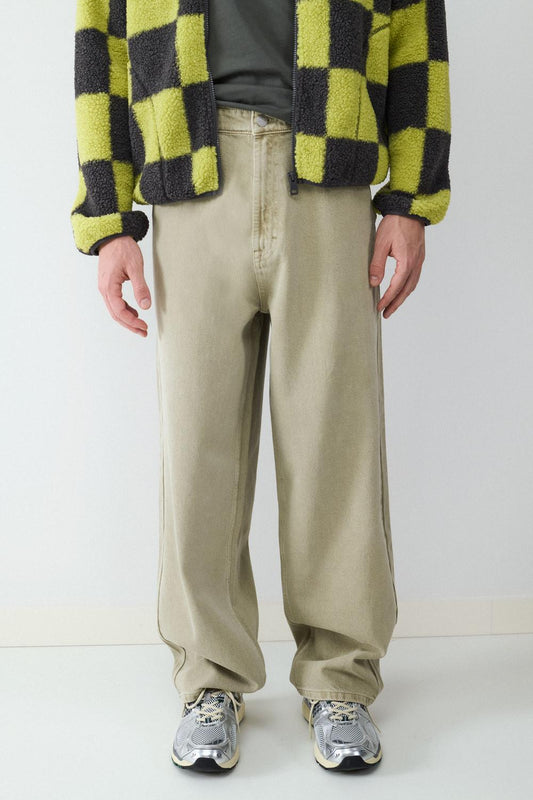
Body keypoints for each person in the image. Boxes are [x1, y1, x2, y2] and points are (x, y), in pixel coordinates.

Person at [71, 0, 451, 774]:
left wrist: (410, 200)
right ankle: (208, 681)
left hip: (329, 173)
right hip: (190, 175)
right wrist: (107, 220)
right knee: (196, 447)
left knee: (333, 442)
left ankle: (339, 680)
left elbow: (417, 34)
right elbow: (102, 48)